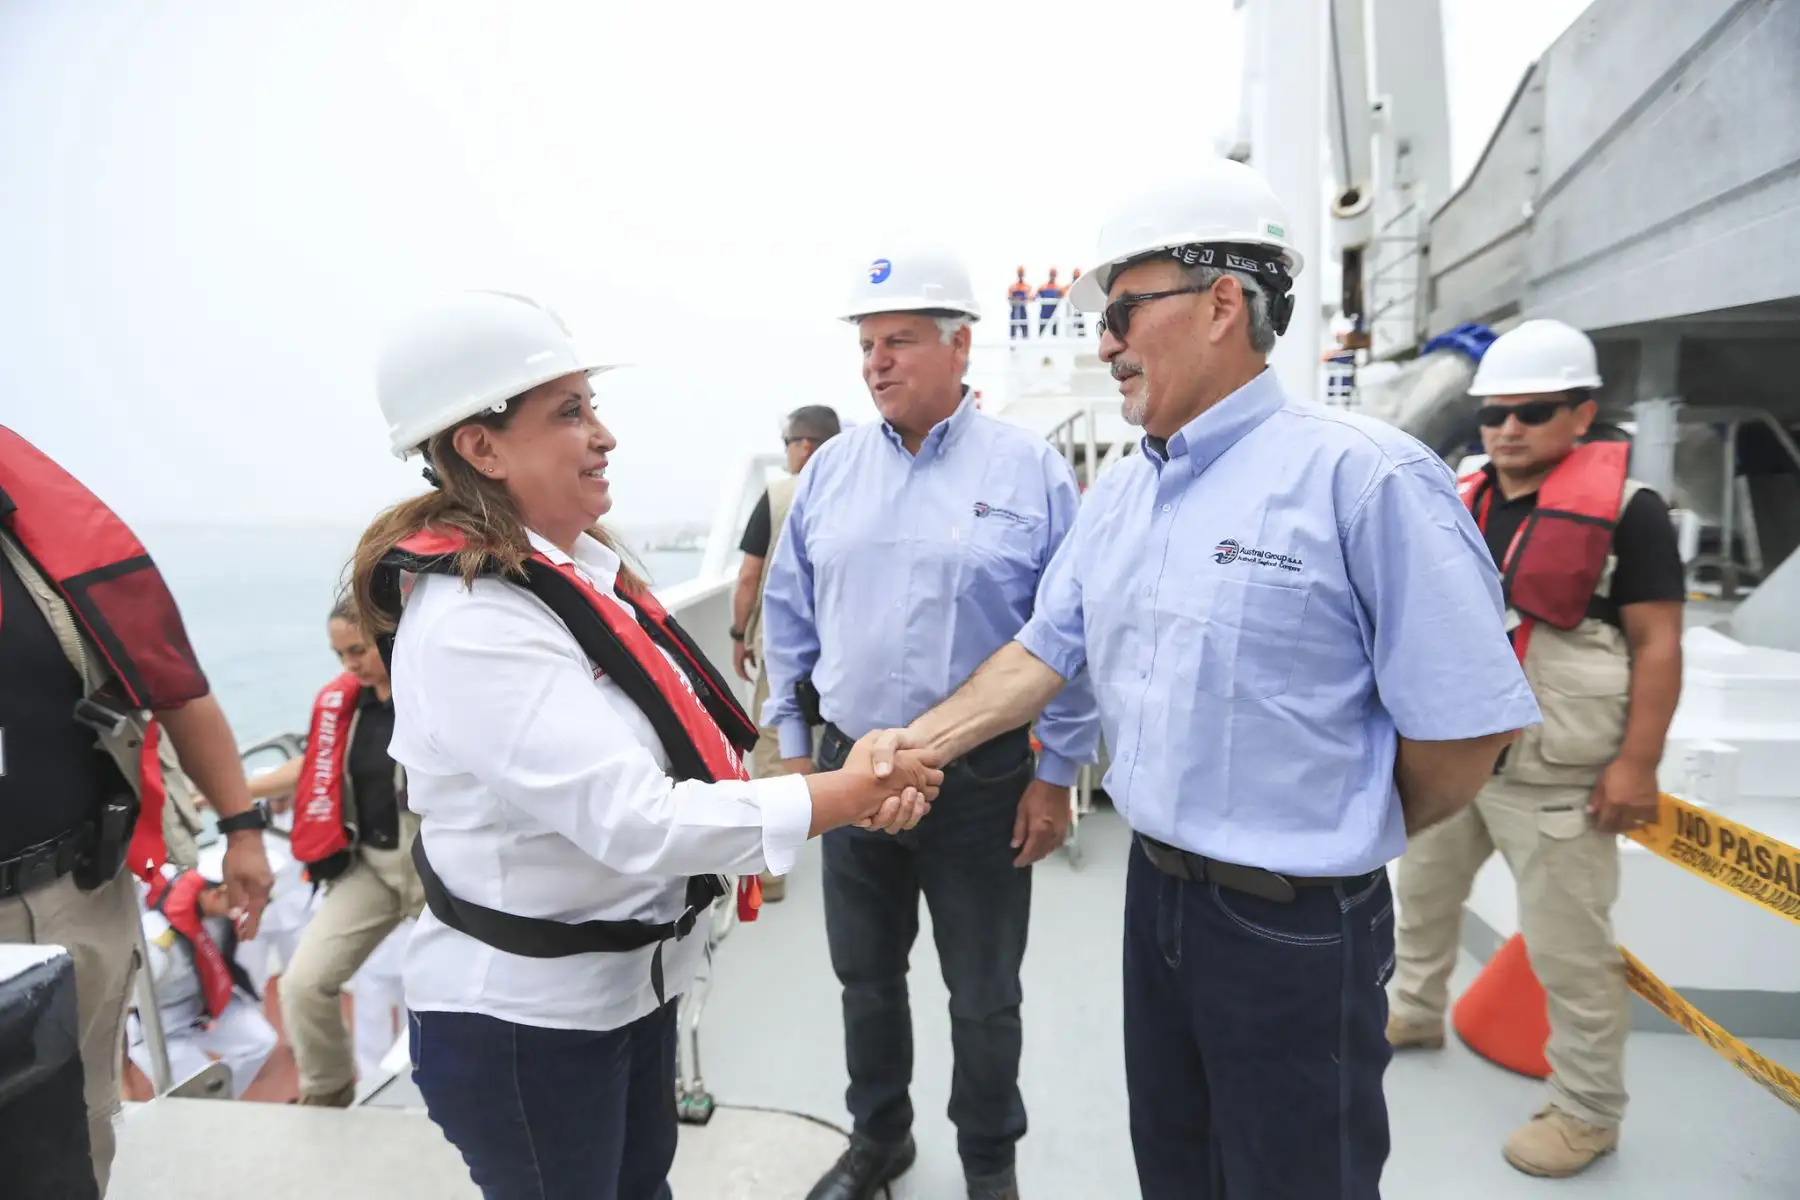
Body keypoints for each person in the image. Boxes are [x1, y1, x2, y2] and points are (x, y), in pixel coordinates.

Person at [860, 160, 1542, 1200]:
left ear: (1224, 303)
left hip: (1295, 927)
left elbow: (1460, 745)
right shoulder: (1127, 490)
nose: (1105, 343)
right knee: (1174, 1170)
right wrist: (917, 746)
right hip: (1159, 901)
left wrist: (1325, 834)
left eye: (1125, 310)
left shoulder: (1364, 480)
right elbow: (1041, 653)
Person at [346, 289, 942, 1200]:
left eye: (593, 408)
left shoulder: (576, 575)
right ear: (481, 446)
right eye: (569, 413)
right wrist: (848, 792)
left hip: (627, 995)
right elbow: (638, 822)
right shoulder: (476, 622)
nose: (603, 435)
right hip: (528, 1028)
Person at [759, 245, 1099, 1200]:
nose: (877, 363)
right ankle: (882, 1139)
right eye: (867, 345)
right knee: (865, 980)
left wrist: (1055, 774)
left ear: (959, 347)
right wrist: (794, 755)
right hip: (849, 769)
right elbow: (788, 617)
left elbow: (1067, 635)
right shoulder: (829, 473)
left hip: (982, 780)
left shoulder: (1030, 471)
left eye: (899, 340)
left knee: (985, 996)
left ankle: (989, 1163)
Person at [1387, 318, 1685, 1178]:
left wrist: (1637, 765)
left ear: (1581, 414)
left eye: (1534, 411)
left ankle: (1588, 1113)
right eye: (1493, 414)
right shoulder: (1466, 494)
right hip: (1461, 757)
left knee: (1569, 950)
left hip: (1559, 771)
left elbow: (1658, 643)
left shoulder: (1633, 514)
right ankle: (1411, 1010)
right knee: (1424, 896)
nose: (1508, 429)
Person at [0, 425, 273, 1194]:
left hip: (77, 896)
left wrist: (244, 831)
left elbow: (176, 688)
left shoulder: (39, 545)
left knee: (82, 1125)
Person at [226, 596, 422, 1106]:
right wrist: (231, 792)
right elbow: (312, 766)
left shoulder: (433, 696)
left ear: (391, 637)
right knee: (303, 985)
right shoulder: (349, 706)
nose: (350, 665)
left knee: (447, 994)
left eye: (358, 650)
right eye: (340, 656)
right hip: (373, 871)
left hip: (435, 874)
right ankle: (327, 1095)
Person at [731, 404, 843, 902]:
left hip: (788, 647)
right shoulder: (855, 490)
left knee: (775, 748)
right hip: (844, 645)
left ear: (803, 446)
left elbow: (750, 577)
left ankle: (769, 876)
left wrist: (739, 633)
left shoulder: (779, 494)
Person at [129, 865, 278, 1100]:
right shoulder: (157, 938)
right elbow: (127, 997)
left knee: (261, 1041)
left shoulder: (221, 915)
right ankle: (208, 1109)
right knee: (201, 1088)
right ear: (216, 894)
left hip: (203, 1005)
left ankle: (221, 1102)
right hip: (161, 1026)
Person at [1007, 267, 1032, 339]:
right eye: (1019, 273)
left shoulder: (1027, 287)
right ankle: (1012, 346)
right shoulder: (1012, 287)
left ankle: (1026, 345)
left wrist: (1023, 299)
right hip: (1014, 310)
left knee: (1025, 330)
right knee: (1013, 331)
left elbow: (1030, 297)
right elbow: (1009, 297)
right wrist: (1015, 299)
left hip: (1022, 310)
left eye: (1022, 273)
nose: (1021, 275)